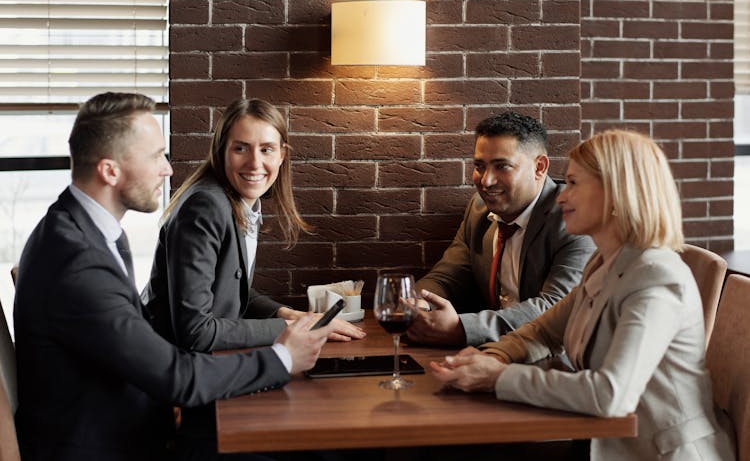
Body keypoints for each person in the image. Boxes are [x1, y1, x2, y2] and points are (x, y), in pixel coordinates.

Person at [13, 92, 334, 461]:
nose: (167, 169)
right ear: (110, 171)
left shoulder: (78, 230)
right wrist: (283, 358)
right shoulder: (78, 261)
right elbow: (178, 378)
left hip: (138, 424)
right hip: (116, 446)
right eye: (155, 156)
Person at [431, 130, 736, 460]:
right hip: (601, 443)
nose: (561, 197)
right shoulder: (604, 261)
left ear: (618, 192)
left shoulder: (656, 278)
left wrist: (500, 378)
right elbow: (545, 330)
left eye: (574, 183)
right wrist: (494, 356)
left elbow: (610, 396)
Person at [142, 98, 364, 458]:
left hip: (205, 378)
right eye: (241, 149)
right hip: (182, 398)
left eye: (266, 149)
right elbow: (196, 331)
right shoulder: (207, 207)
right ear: (221, 151)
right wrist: (293, 333)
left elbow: (235, 292)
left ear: (282, 154)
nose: (255, 163)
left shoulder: (235, 201)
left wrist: (286, 315)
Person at [408, 112, 595, 347]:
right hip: (493, 353)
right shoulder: (478, 210)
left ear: (539, 167)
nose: (486, 181)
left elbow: (555, 308)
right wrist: (419, 304)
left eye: (502, 166)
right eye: (479, 166)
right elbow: (447, 277)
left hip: (553, 360)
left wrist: (462, 329)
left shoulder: (572, 218)